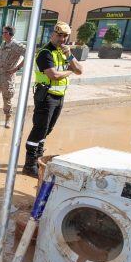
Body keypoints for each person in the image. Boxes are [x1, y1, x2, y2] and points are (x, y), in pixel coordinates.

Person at [22, 21, 84, 177]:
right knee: (39, 129)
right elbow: (53, 75)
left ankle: (38, 157)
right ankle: (29, 165)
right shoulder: (46, 52)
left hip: (59, 96)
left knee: (48, 129)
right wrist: (70, 71)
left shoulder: (64, 52)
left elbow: (80, 70)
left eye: (65, 36)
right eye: (59, 35)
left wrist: (69, 56)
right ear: (52, 35)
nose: (62, 39)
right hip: (46, 95)